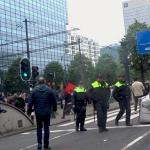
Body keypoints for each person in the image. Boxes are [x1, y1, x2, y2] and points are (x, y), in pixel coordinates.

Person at [27, 77, 57, 150]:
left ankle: (39, 144)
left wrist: (29, 111)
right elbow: (54, 101)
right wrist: (54, 109)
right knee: (46, 128)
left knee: (39, 128)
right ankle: (46, 145)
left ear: (38, 82)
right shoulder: (49, 90)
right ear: (45, 81)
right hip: (47, 112)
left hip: (38, 113)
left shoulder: (34, 91)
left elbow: (30, 103)